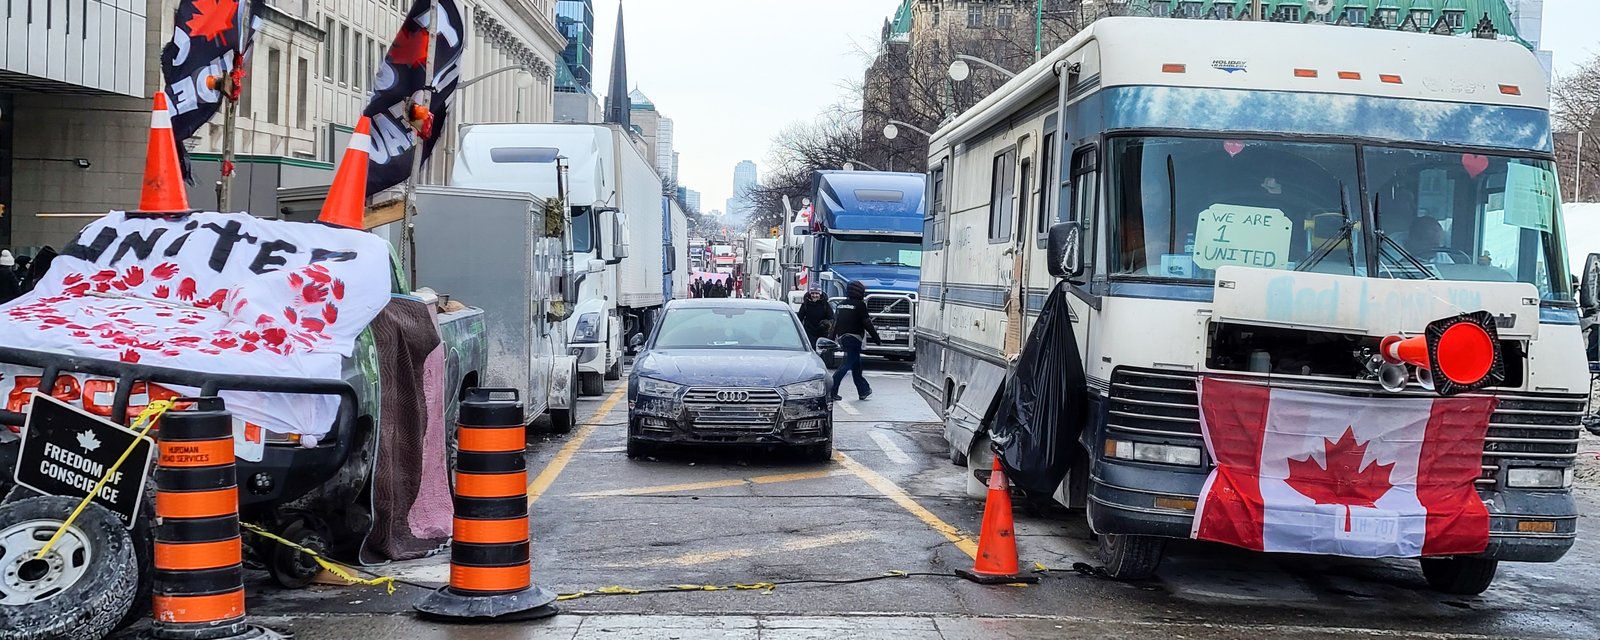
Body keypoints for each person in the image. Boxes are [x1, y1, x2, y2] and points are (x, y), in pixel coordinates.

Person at [830, 281, 881, 401]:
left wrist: (830, 340)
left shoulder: (840, 305)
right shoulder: (860, 305)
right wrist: (876, 339)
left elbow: (835, 325)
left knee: (856, 367)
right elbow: (867, 323)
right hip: (854, 339)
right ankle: (831, 390)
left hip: (843, 338)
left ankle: (863, 390)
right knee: (845, 366)